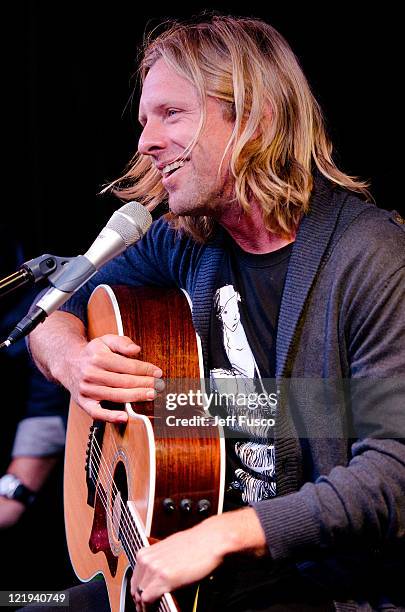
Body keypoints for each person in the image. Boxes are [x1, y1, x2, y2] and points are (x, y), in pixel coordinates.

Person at [28, 15, 405, 612]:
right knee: (29, 605)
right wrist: (75, 361)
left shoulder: (370, 256)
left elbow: (392, 478)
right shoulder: (185, 240)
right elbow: (52, 313)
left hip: (327, 587)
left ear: (253, 119)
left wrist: (220, 535)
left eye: (170, 115)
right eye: (146, 118)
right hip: (197, 565)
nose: (145, 142)